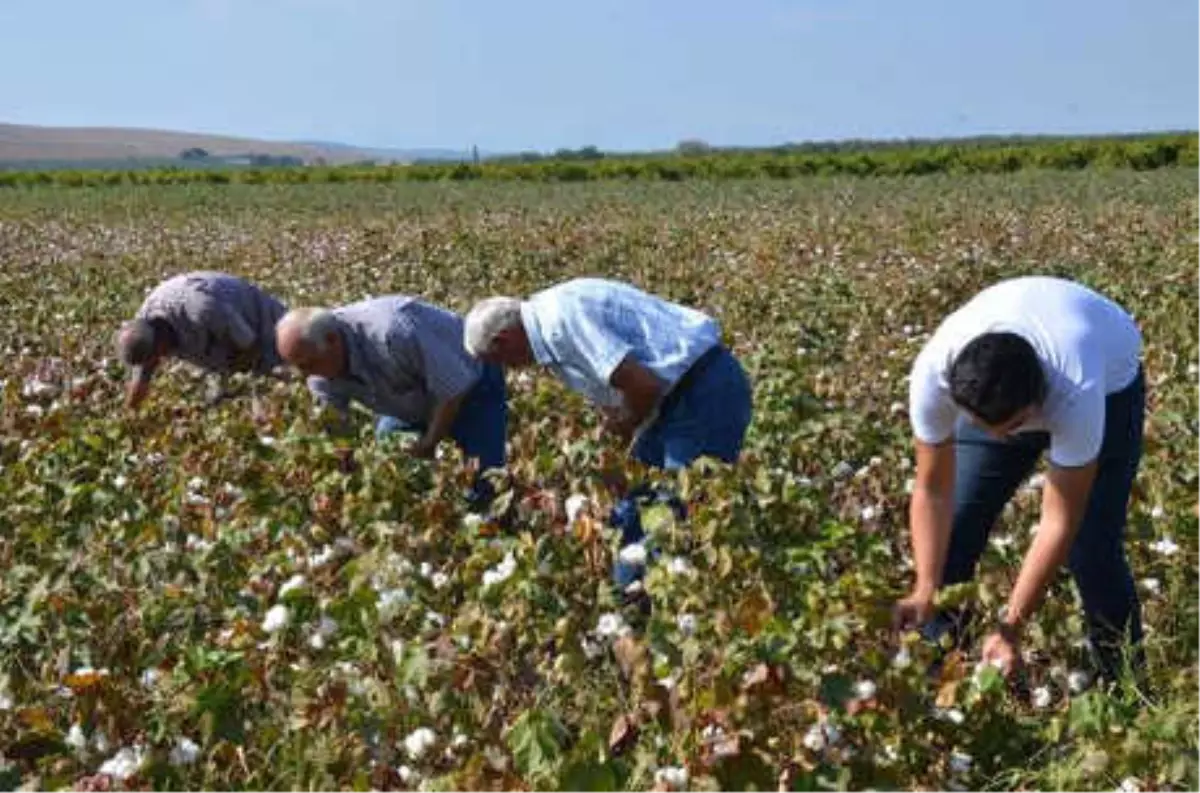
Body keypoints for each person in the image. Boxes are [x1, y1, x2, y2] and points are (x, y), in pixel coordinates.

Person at [893, 275, 1147, 688]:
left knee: (1091, 548)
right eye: (982, 426)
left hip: (1112, 386)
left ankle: (1126, 688)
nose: (998, 439)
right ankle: (939, 684)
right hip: (1017, 366)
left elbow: (1058, 522)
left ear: (1038, 403)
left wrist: (1011, 626)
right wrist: (924, 587)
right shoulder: (935, 374)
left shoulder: (1076, 391)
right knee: (956, 528)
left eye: (1011, 427)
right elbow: (932, 489)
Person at [462, 277, 753, 587]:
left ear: (504, 340)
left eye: (500, 362)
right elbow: (622, 392)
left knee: (674, 516)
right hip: (675, 399)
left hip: (702, 394)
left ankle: (670, 604)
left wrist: (623, 429)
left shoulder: (561, 324)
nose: (509, 370)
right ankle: (629, 605)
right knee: (633, 514)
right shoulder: (548, 316)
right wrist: (613, 453)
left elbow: (644, 386)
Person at [275, 296, 508, 507]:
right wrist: (345, 466)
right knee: (390, 460)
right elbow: (336, 425)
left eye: (307, 365)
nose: (305, 375)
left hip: (471, 382)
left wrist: (429, 442)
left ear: (332, 340)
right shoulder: (318, 368)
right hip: (406, 397)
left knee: (484, 483)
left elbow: (453, 390)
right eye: (297, 366)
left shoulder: (392, 333)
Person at [115, 271, 289, 409]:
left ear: (159, 343)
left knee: (282, 378)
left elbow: (251, 347)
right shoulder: (142, 328)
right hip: (221, 342)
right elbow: (140, 381)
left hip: (264, 323)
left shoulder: (201, 309)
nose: (154, 363)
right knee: (221, 399)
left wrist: (236, 385)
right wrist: (130, 416)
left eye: (153, 357)